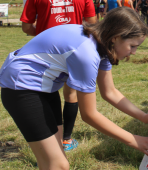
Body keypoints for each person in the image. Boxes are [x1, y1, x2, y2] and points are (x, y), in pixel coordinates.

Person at [0, 7, 148, 170]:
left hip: (44, 89)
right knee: (58, 165)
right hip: (21, 89)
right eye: (132, 46)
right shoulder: (87, 53)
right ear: (116, 37)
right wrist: (134, 140)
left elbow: (110, 92)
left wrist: (142, 116)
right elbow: (89, 115)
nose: (134, 52)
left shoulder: (102, 43)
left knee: (53, 162)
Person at [20, 0, 96, 151]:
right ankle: (66, 139)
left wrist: (47, 34)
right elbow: (92, 24)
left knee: (45, 93)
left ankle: (47, 142)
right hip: (72, 48)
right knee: (71, 94)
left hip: (44, 50)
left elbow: (26, 27)